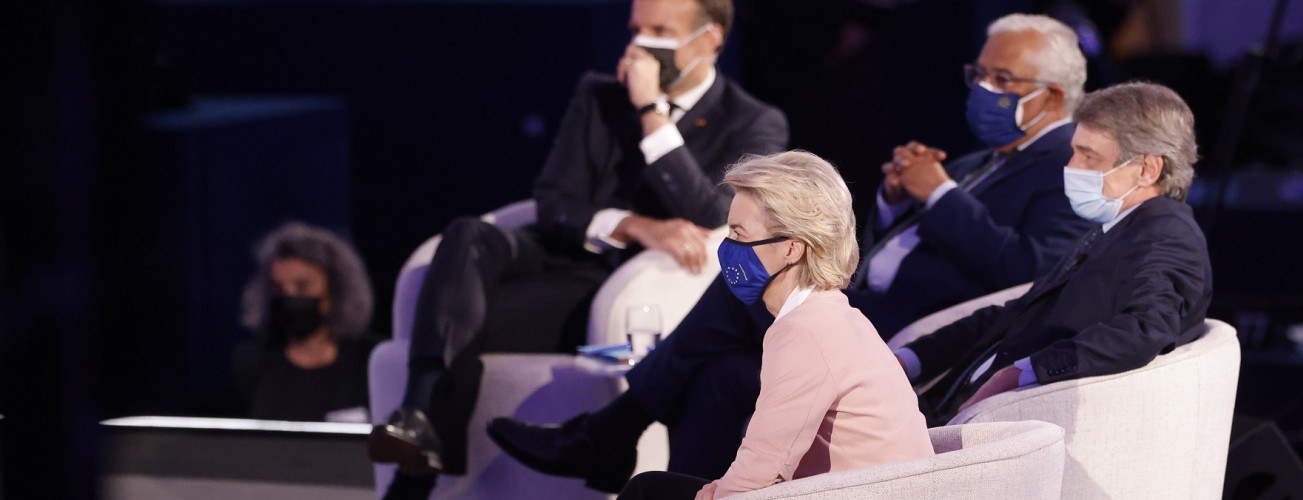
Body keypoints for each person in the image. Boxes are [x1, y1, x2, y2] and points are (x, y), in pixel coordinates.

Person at [487, 13, 1094, 490]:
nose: (983, 90)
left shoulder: (1064, 166)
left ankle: (609, 435)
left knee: (734, 286)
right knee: (719, 376)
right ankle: (660, 468)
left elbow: (1028, 272)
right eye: (977, 76)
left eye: (1002, 81)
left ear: (1056, 94)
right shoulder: (982, 158)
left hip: (889, 334)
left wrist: (937, 195)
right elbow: (901, 241)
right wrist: (891, 202)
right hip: (857, 298)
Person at [366, 0, 789, 493]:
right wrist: (633, 224)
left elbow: (711, 213)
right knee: (467, 236)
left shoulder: (755, 122)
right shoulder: (599, 96)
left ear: (710, 39)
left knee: (460, 322)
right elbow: (552, 201)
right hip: (564, 257)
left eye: (659, 30)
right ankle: (420, 417)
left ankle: (416, 472)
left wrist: (652, 114)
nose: (639, 45)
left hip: (622, 290)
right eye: (635, 29)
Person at [616, 150, 934, 499]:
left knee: (648, 491)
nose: (728, 249)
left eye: (739, 234)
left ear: (792, 249)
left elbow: (764, 467)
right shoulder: (829, 314)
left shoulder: (805, 331)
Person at [899, 80, 1212, 427]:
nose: (1072, 165)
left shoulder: (1167, 234)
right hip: (947, 407)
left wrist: (1024, 372)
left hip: (996, 429)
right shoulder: (1118, 226)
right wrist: (911, 358)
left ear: (1147, 169)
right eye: (1075, 150)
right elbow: (1016, 313)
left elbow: (1146, 328)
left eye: (1089, 155)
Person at [232, 221, 383, 422]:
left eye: (302, 287)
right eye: (278, 288)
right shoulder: (252, 363)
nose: (289, 297)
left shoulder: (371, 361)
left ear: (335, 291)